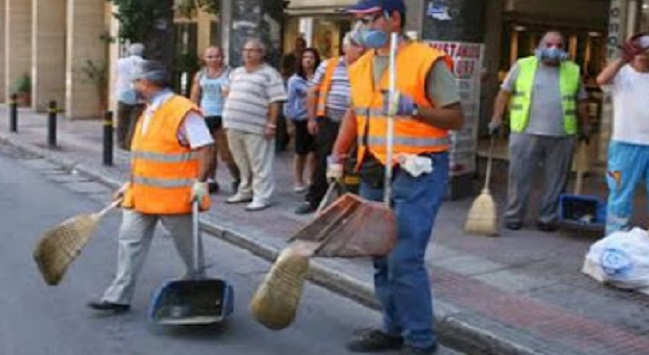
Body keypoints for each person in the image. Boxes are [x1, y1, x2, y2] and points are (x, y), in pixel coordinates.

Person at [330, 1, 463, 353]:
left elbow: (455, 119)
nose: (360, 27)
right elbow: (355, 115)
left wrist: (413, 108)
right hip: (375, 166)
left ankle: (420, 341)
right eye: (358, 20)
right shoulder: (360, 66)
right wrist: (337, 155)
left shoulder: (426, 60)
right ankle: (392, 328)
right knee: (379, 254)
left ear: (394, 19)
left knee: (404, 257)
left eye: (369, 18)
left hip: (418, 169)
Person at [88, 61, 215, 312]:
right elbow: (148, 155)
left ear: (146, 84)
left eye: (135, 82)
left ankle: (199, 291)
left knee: (190, 250)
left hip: (175, 198)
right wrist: (130, 183)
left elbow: (206, 147)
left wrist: (201, 183)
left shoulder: (182, 110)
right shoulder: (150, 110)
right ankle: (118, 297)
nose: (132, 86)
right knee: (129, 242)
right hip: (142, 195)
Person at [489, 31, 591, 232]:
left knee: (556, 180)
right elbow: (504, 93)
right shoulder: (522, 66)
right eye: (549, 44)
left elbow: (582, 101)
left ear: (564, 50)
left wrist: (586, 124)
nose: (553, 49)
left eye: (559, 45)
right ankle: (514, 215)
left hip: (562, 134)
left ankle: (548, 217)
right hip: (525, 131)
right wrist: (496, 118)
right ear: (539, 45)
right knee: (519, 176)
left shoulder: (573, 70)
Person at [294, 31, 365, 215]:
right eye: (356, 45)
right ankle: (314, 199)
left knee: (353, 164)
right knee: (323, 160)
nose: (362, 49)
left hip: (358, 123)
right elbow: (313, 92)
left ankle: (348, 202)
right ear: (345, 47)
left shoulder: (367, 65)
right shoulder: (329, 65)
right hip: (329, 120)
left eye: (362, 45)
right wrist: (311, 118)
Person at [222, 38, 287, 211]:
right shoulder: (236, 72)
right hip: (234, 124)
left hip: (257, 126)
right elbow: (227, 92)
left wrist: (271, 124)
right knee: (241, 162)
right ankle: (246, 190)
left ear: (262, 53)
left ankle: (262, 196)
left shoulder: (270, 73)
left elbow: (276, 101)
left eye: (253, 50)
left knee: (260, 163)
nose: (248, 54)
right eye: (245, 50)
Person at [596, 33, 649, 235]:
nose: (643, 53)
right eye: (639, 48)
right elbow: (601, 79)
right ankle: (615, 236)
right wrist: (622, 58)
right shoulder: (622, 73)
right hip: (625, 144)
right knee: (620, 192)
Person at [190, 46, 241, 194]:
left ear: (223, 57)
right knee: (208, 152)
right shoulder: (200, 75)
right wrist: (193, 113)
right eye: (210, 57)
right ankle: (210, 180)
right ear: (204, 59)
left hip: (224, 116)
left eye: (217, 56)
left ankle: (238, 179)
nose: (214, 59)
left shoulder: (231, 73)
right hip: (205, 115)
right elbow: (195, 95)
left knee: (227, 153)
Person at [284, 48, 321, 193]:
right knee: (300, 152)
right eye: (305, 57)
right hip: (300, 119)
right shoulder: (295, 80)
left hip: (317, 118)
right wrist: (289, 122)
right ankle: (298, 180)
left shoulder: (321, 78)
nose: (308, 60)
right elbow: (289, 101)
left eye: (311, 57)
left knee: (315, 152)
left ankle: (311, 178)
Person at [115, 43, 146, 150]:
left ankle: (120, 141)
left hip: (123, 94)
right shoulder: (145, 64)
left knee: (122, 119)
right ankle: (129, 143)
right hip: (139, 97)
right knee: (134, 121)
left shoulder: (120, 62)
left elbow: (117, 74)